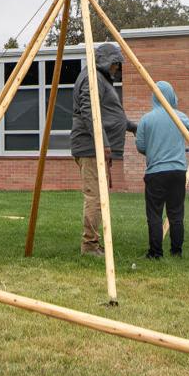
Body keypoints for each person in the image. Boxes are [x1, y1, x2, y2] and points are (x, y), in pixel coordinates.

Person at [70, 42, 135, 257]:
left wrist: (133, 127)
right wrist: (104, 142)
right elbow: (89, 111)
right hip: (91, 148)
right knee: (95, 197)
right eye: (115, 64)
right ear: (106, 62)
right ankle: (89, 246)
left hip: (98, 147)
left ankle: (95, 242)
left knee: (100, 197)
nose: (117, 69)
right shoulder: (92, 77)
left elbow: (109, 113)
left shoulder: (100, 79)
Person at [134, 81, 189, 259]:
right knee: (176, 213)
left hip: (155, 173)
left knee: (155, 214)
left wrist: (154, 147)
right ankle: (176, 251)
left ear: (154, 96)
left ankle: (155, 253)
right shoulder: (181, 117)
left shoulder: (146, 119)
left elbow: (140, 146)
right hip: (178, 172)